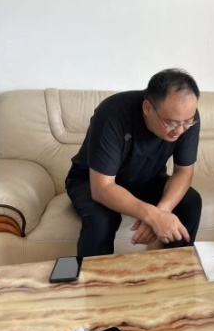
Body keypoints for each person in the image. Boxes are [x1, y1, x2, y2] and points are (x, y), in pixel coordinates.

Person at [66, 68, 202, 257]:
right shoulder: (112, 114)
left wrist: (163, 211)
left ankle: (176, 267)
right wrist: (151, 215)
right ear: (147, 108)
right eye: (171, 123)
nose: (179, 130)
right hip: (90, 180)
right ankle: (92, 275)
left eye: (187, 122)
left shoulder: (186, 119)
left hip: (147, 178)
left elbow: (183, 172)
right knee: (102, 219)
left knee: (190, 202)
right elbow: (102, 187)